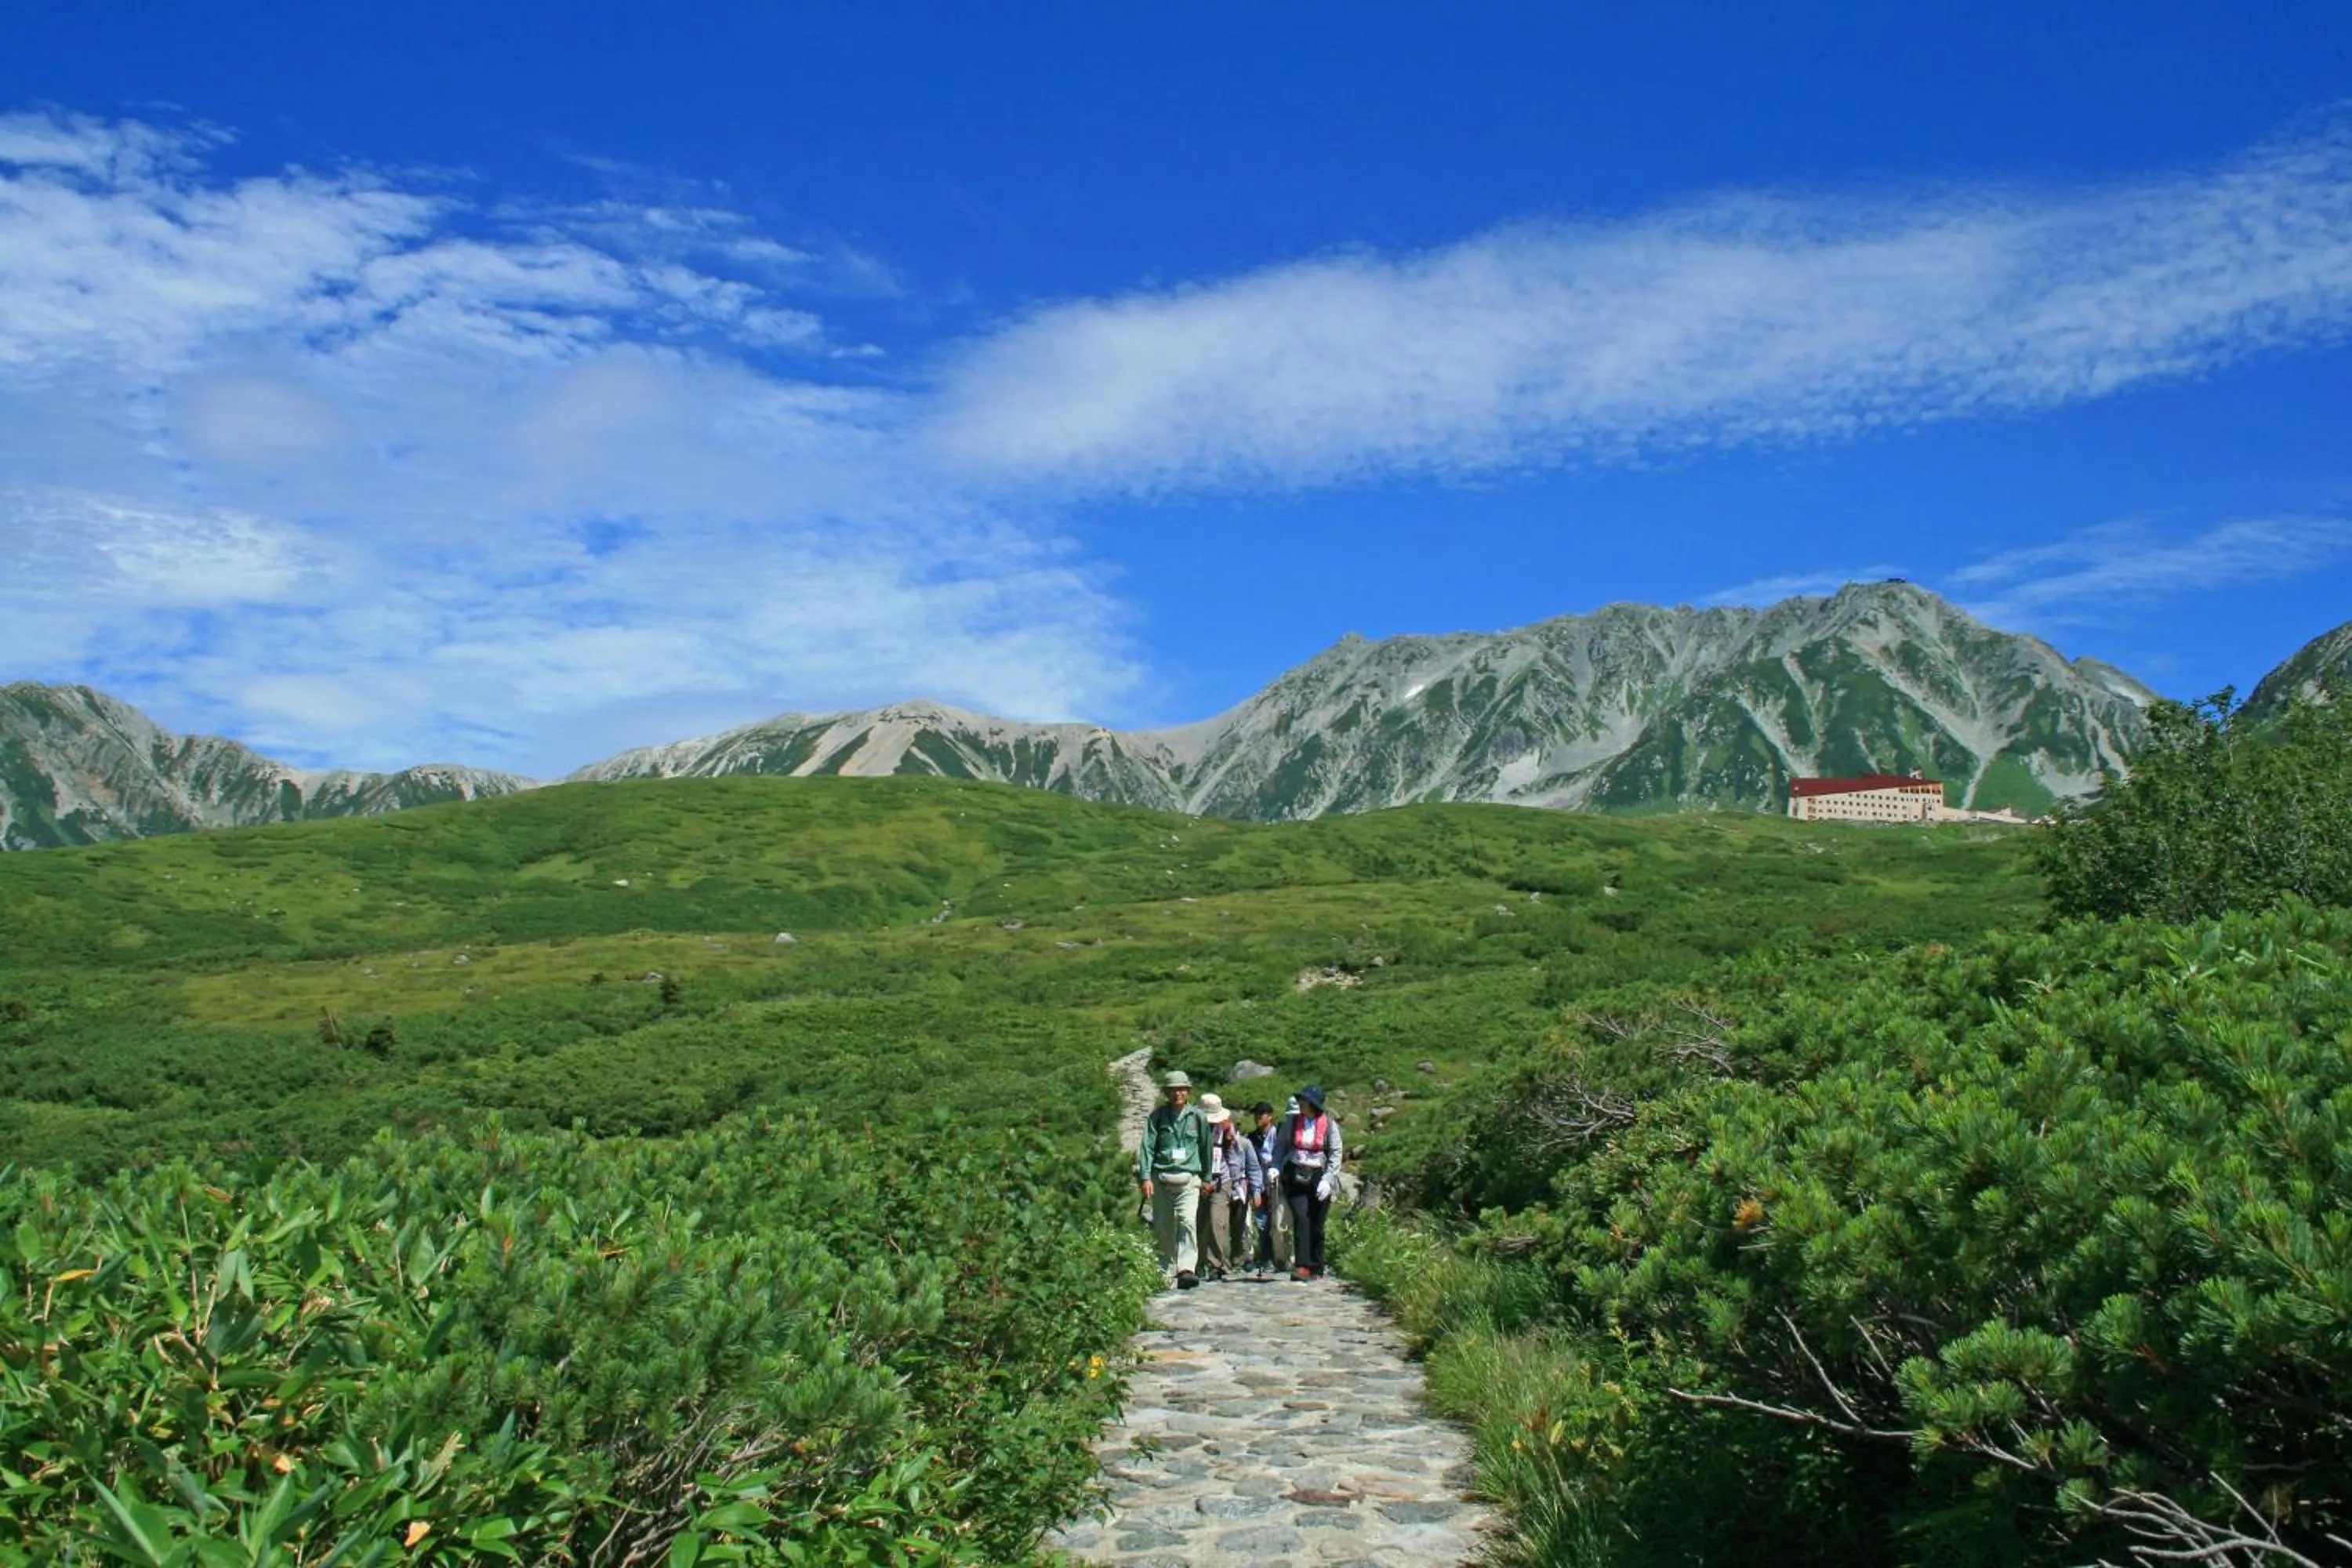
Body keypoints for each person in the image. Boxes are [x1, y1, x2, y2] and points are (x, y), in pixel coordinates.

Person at [1138, 1069, 1213, 1289]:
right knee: (1163, 1225)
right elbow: (1147, 1148)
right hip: (1161, 1178)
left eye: (1182, 1089)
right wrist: (1145, 1177)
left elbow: (1205, 1147)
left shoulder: (1198, 1117)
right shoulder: (1157, 1118)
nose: (1178, 1093)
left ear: (1188, 1091)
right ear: (1167, 1093)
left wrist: (1207, 1177)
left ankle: (1187, 1268)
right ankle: (1165, 1268)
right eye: (1173, 1089)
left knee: (1187, 1221)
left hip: (1189, 1179)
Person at [1272, 1084, 1343, 1281]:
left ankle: (1317, 1263)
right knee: (1301, 1218)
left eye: (1305, 1101)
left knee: (1317, 1223)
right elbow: (1280, 1146)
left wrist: (1328, 1180)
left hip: (1319, 1176)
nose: (1301, 1104)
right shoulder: (1292, 1123)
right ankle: (1302, 1265)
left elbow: (1335, 1154)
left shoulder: (1329, 1125)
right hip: (1295, 1175)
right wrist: (1275, 1166)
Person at [1196, 1094, 1239, 1280]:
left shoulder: (1227, 1129)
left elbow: (1234, 1155)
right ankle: (1197, 1262)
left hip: (1222, 1179)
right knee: (1198, 1222)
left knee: (1216, 1222)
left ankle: (1216, 1264)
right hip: (1198, 1180)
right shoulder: (1194, 1128)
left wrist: (1237, 1183)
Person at [1244, 1100, 1287, 1274]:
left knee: (1278, 1222)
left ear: (1270, 1117)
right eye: (1256, 1114)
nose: (1258, 1118)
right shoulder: (1251, 1138)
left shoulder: (1279, 1135)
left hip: (1277, 1184)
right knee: (1262, 1222)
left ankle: (1281, 1257)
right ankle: (1265, 1256)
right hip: (1259, 1184)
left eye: (1261, 1115)